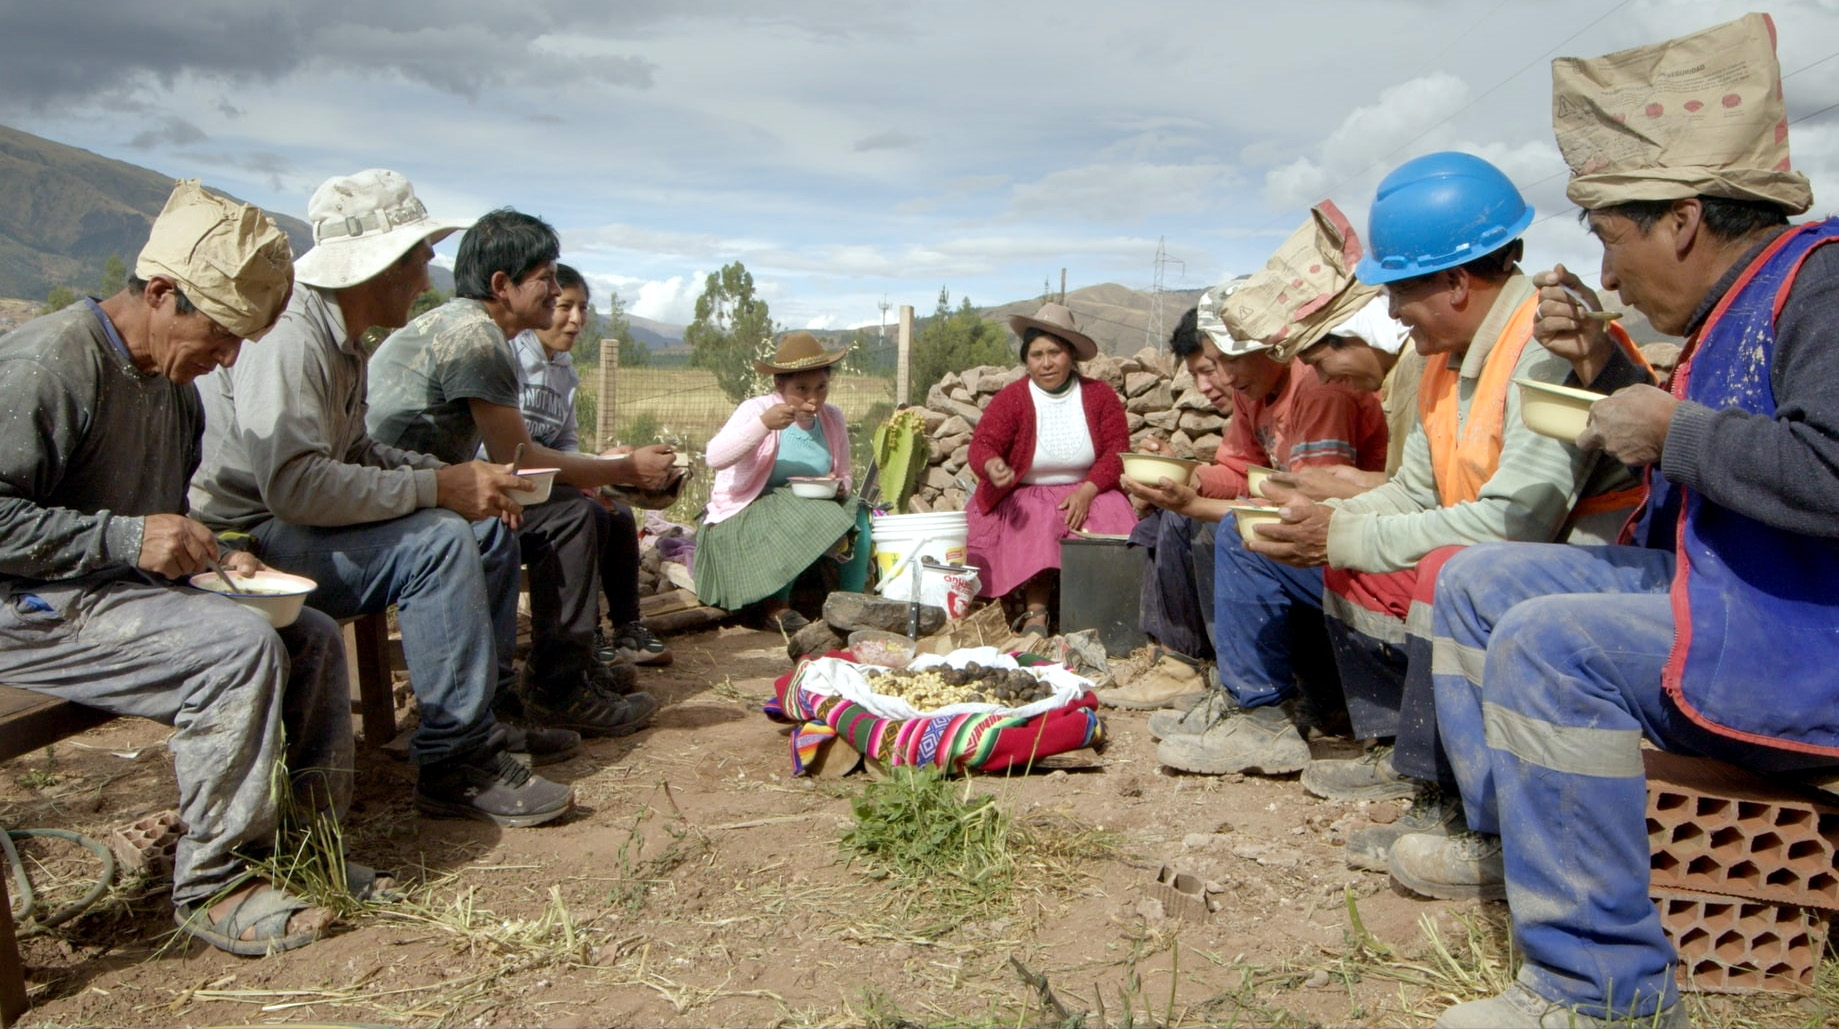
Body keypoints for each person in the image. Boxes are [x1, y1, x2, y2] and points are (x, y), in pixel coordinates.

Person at [1404, 15, 1835, 1026]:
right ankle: (1514, 846)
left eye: (1610, 236)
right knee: (1477, 581)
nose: (1605, 273)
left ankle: (1598, 988)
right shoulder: (1741, 298)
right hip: (1735, 594)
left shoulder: (1825, 290)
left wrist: (1674, 431)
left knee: (1553, 647)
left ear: (1682, 218)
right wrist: (1606, 367)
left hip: (1802, 632)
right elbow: (1721, 435)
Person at [1139, 155, 1647, 852]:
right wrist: (1324, 526)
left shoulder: (1545, 344)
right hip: (1479, 556)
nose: (1391, 311)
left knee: (1446, 577)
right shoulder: (1443, 356)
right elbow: (1415, 489)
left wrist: (1340, 536)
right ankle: (1371, 752)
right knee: (1288, 545)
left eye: (1399, 292)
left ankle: (1460, 803)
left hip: (1570, 570)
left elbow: (1515, 522)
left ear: (1457, 284)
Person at [0, 180, 360, 955]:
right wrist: (126, 542)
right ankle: (217, 883)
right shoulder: (50, 363)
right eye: (223, 333)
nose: (228, 357)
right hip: (25, 610)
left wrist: (212, 547)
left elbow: (154, 519)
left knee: (314, 635)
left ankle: (302, 853)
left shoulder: (175, 389)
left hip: (104, 595)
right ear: (160, 293)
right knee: (236, 650)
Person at [190, 169, 584, 827]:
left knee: (482, 529)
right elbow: (294, 487)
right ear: (379, 265)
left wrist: (463, 483)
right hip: (247, 545)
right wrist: (438, 486)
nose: (428, 276)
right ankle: (454, 762)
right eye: (421, 258)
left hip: (295, 526)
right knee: (439, 542)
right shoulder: (292, 337)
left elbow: (360, 456)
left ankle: (480, 721)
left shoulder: (342, 341)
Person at [366, 208, 672, 733]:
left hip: (424, 490)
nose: (556, 291)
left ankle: (542, 685)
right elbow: (520, 460)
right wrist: (622, 465)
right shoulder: (475, 338)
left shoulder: (473, 329)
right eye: (547, 278)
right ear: (502, 285)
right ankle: (554, 692)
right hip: (397, 501)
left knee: (578, 512)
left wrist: (609, 474)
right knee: (569, 518)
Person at [1103, 280, 1388, 710]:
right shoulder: (1251, 391)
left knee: (1225, 531)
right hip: (1300, 510)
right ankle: (1188, 664)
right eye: (1218, 362)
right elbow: (1239, 469)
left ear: (1272, 344)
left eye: (1228, 361)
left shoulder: (1320, 388)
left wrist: (1197, 503)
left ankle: (1257, 696)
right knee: (1175, 518)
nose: (1227, 376)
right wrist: (1187, 481)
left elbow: (1312, 503)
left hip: (1347, 529)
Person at [507, 263, 672, 666]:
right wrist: (604, 468)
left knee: (616, 514)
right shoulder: (509, 358)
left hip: (550, 483)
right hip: (512, 488)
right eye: (565, 306)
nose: (576, 319)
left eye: (583, 308)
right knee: (587, 516)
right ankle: (585, 635)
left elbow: (565, 443)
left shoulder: (564, 371)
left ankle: (628, 627)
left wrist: (599, 467)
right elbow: (501, 449)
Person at [966, 303, 1137, 636]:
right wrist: (992, 465)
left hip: (1089, 489)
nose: (1046, 363)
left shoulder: (1099, 396)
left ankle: (1102, 612)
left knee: (1114, 513)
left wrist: (1087, 491)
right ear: (1026, 360)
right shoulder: (1013, 398)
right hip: (1026, 491)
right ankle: (1036, 614)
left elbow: (1117, 452)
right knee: (1035, 515)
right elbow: (982, 445)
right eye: (1036, 355)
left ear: (1071, 355)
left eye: (1055, 353)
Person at [694, 331, 870, 633]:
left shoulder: (832, 419)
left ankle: (851, 602)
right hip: (746, 514)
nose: (813, 399)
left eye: (821, 387)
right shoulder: (757, 411)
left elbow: (844, 474)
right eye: (801, 389)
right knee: (793, 507)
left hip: (807, 508)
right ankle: (777, 606)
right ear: (779, 384)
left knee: (858, 511)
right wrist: (763, 425)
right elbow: (715, 457)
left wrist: (838, 485)